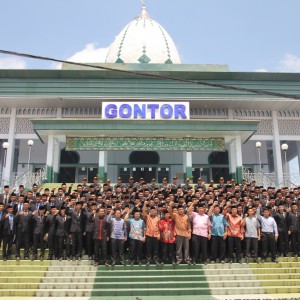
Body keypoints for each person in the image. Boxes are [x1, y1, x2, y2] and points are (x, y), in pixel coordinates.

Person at [142, 201, 160, 266]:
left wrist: (159, 234)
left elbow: (159, 227)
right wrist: (144, 204)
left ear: (156, 212)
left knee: (155, 249)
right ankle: (148, 260)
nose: (153, 212)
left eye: (154, 211)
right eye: (151, 211)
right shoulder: (147, 217)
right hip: (148, 235)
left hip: (156, 235)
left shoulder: (158, 218)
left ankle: (155, 260)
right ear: (150, 212)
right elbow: (143, 211)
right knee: (148, 248)